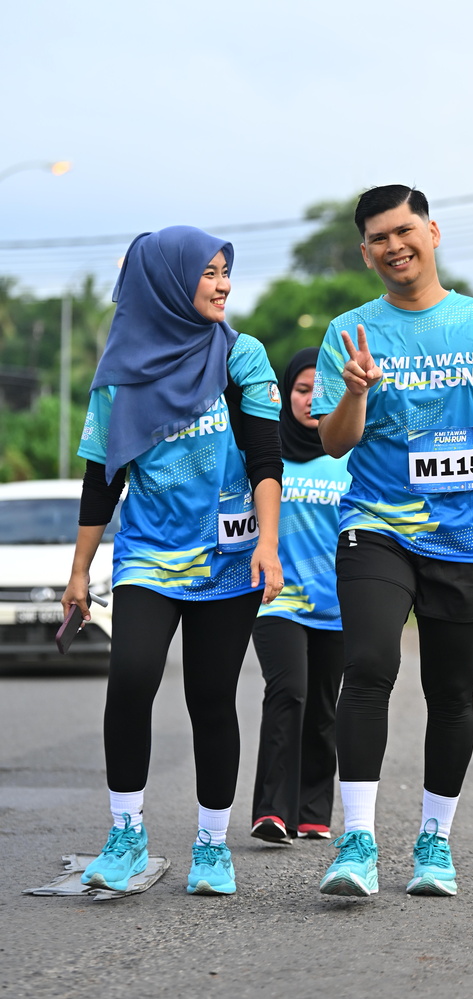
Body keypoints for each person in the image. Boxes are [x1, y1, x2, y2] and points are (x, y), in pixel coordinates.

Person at [311, 185, 473, 897]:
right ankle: (357, 842)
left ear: (432, 232)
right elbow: (333, 442)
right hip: (377, 525)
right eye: (378, 238)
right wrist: (355, 390)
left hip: (465, 532)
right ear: (365, 254)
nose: (394, 246)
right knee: (368, 663)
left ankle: (434, 842)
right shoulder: (350, 333)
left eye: (404, 230)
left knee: (451, 690)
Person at [61, 225, 283, 896]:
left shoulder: (241, 356)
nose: (223, 285)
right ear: (166, 283)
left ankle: (212, 847)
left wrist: (268, 543)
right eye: (208, 273)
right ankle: (126, 834)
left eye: (225, 272)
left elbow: (266, 459)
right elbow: (102, 480)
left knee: (211, 697)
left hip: (228, 558)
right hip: (149, 556)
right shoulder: (119, 376)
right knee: (130, 678)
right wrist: (79, 571)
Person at [250, 348, 351, 845]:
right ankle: (271, 811)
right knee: (288, 690)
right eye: (302, 389)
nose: (311, 400)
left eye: (322, 390)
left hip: (337, 603)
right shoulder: (267, 453)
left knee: (324, 707)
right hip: (277, 599)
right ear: (286, 393)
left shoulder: (351, 454)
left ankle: (312, 811)